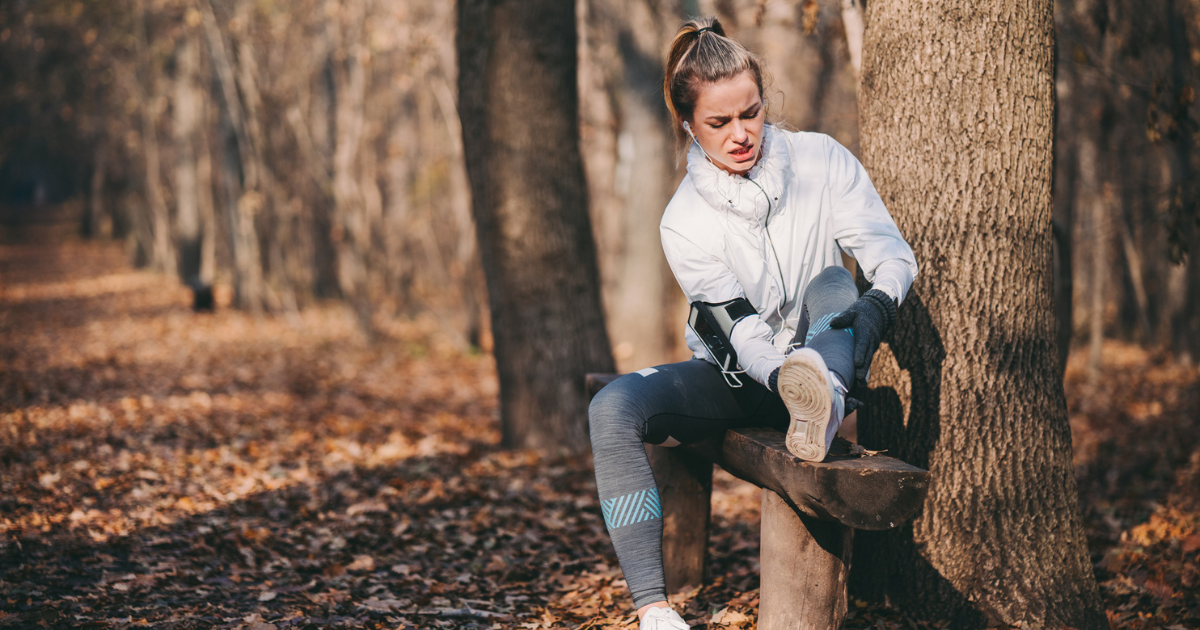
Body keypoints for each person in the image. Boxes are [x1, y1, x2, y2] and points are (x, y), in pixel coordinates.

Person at [587, 16, 918, 630]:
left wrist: (878, 305)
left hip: (831, 356)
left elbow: (891, 253)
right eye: (719, 122)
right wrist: (791, 375)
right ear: (688, 124)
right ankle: (654, 611)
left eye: (752, 112)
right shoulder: (683, 221)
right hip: (743, 379)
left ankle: (821, 387)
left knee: (836, 282)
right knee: (611, 407)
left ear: (765, 100)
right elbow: (738, 331)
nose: (742, 134)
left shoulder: (821, 160)